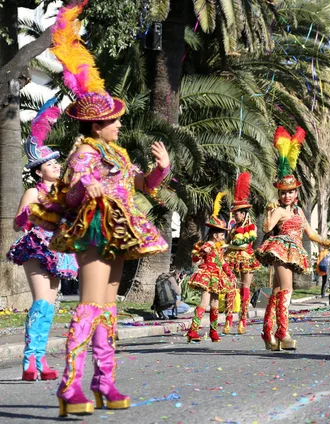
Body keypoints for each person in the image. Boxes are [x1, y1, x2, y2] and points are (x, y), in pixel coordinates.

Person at [42, 3, 171, 416]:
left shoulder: (114, 149)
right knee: (91, 305)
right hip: (95, 230)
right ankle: (70, 386)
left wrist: (160, 171)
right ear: (96, 125)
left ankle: (105, 382)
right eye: (113, 120)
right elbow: (75, 187)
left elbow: (140, 185)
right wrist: (91, 184)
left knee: (109, 309)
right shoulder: (83, 151)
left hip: (119, 229)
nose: (120, 124)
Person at [6, 100, 78, 381]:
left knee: (49, 306)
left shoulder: (63, 193)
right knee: (39, 303)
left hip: (57, 250)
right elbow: (17, 223)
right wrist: (31, 215)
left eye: (57, 163)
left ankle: (40, 357)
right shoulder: (32, 193)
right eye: (51, 164)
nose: (56, 167)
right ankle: (28, 361)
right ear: (39, 170)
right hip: (36, 248)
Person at [256, 126, 330, 351]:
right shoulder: (279, 211)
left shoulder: (299, 212)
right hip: (281, 250)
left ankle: (268, 333)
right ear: (279, 194)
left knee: (277, 292)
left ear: (296, 192)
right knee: (287, 289)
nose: (287, 195)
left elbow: (311, 234)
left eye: (290, 191)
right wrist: (268, 211)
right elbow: (266, 227)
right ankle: (282, 333)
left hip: (294, 250)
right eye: (283, 192)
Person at [186, 193, 236, 343]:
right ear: (215, 235)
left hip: (218, 277)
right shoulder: (207, 244)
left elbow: (222, 263)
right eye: (222, 234)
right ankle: (192, 331)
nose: (223, 237)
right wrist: (202, 252)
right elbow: (195, 258)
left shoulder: (219, 248)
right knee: (204, 303)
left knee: (215, 304)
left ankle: (213, 332)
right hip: (208, 276)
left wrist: (230, 274)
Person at [224, 172, 260, 334]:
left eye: (237, 213)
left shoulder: (251, 228)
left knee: (245, 288)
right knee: (230, 288)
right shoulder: (232, 227)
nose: (235, 215)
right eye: (234, 213)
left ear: (244, 213)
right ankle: (229, 320)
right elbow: (227, 242)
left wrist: (228, 245)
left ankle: (243, 321)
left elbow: (244, 243)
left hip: (246, 259)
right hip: (231, 259)